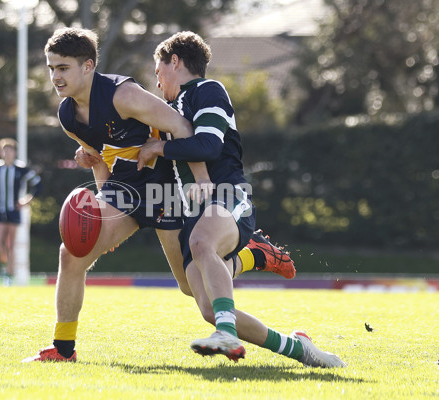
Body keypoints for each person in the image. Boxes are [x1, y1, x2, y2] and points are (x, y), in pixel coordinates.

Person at [23, 27, 295, 363]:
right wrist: (103, 201)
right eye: (51, 68)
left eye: (62, 68)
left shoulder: (123, 95)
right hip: (127, 188)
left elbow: (182, 127)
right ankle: (63, 349)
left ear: (88, 66)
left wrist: (200, 181)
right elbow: (101, 159)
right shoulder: (67, 115)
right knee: (71, 254)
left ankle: (254, 254)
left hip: (168, 188)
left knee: (191, 288)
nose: (55, 77)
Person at [137, 31, 345, 367]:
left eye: (157, 69)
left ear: (174, 61)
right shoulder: (166, 110)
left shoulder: (207, 90)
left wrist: (159, 147)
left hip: (228, 194)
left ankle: (228, 333)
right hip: (194, 211)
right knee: (207, 305)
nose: (157, 80)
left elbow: (207, 146)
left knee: (203, 244)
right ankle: (299, 349)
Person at [0, 138, 42, 286]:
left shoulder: (21, 168)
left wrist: (27, 200)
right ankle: (5, 266)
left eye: (10, 150)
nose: (7, 153)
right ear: (1, 152)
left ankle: (8, 275)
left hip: (14, 210)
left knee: (10, 244)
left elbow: (38, 184)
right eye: (4, 150)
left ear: (15, 152)